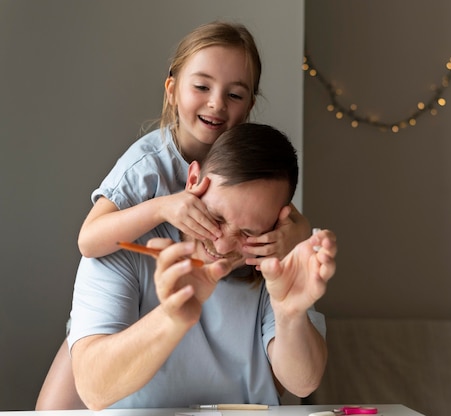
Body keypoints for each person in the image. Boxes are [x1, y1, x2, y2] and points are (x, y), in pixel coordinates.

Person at [36, 21, 310, 410]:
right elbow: (89, 239)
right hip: (122, 310)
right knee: (59, 401)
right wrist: (163, 206)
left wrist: (296, 238)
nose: (217, 103)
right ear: (172, 90)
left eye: (234, 94)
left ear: (249, 106)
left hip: (210, 320)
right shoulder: (148, 164)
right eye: (202, 87)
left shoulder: (252, 176)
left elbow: (287, 224)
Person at [68, 123, 336, 410]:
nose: (222, 247)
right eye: (215, 218)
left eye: (248, 233)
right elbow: (93, 389)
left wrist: (288, 314)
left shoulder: (276, 262)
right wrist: (171, 318)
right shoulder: (123, 245)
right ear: (193, 179)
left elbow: (303, 382)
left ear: (277, 224)